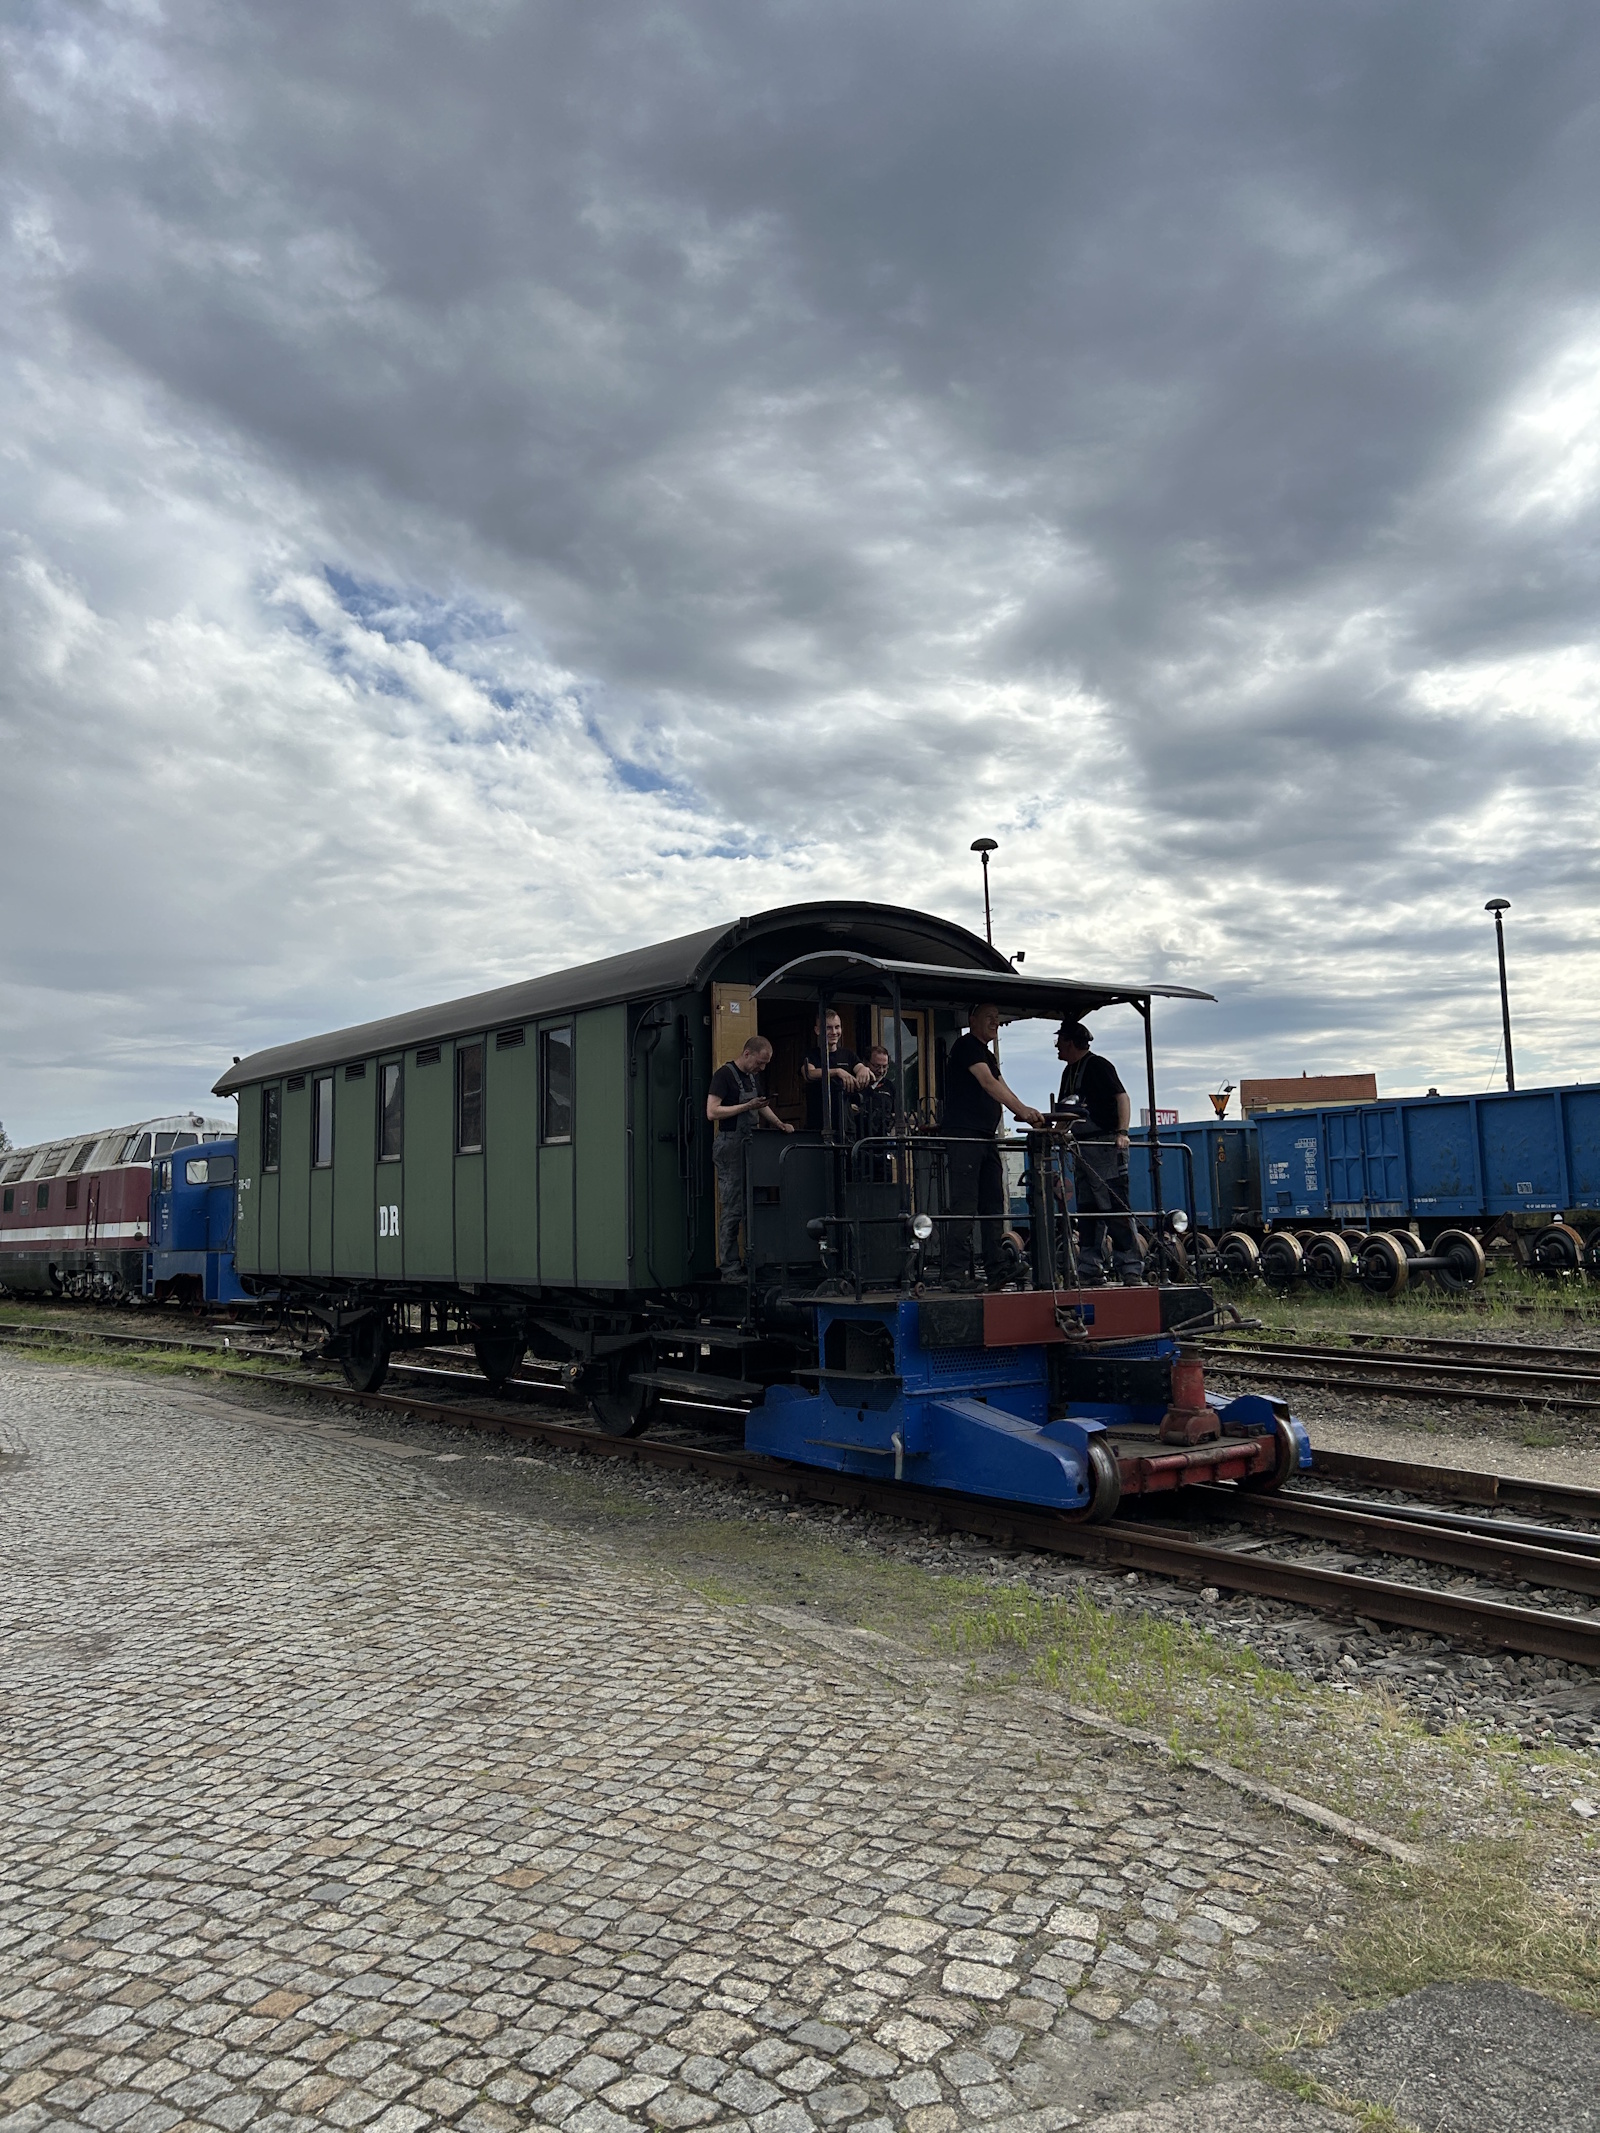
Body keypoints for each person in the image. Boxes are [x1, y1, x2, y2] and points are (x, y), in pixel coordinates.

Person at [941, 1004, 1048, 1286]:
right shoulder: (966, 1046)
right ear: (972, 1020)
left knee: (993, 1203)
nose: (995, 1023)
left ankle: (996, 1267)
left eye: (998, 1019)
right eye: (989, 1017)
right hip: (965, 1135)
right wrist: (1022, 1110)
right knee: (964, 1204)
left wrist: (1026, 1112)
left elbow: (1001, 1084)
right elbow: (988, 1083)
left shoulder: (987, 1054)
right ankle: (955, 1274)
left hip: (986, 1136)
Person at [1055, 1021, 1141, 1284]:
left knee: (1115, 1207)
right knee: (1088, 1209)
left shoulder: (1099, 1066)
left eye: (1060, 1041)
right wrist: (1056, 1134)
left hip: (1105, 1146)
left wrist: (1122, 1133)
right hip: (1082, 1148)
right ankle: (1090, 1266)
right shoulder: (1068, 1073)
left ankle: (1130, 1267)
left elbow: (1122, 1097)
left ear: (1071, 1042)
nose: (1056, 1046)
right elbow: (1066, 1112)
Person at [706, 1035, 793, 1278]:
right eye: (760, 1062)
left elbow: (761, 1105)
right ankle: (729, 1268)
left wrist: (779, 1123)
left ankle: (757, 1263)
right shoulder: (723, 1075)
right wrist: (746, 1107)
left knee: (756, 1203)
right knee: (733, 1206)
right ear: (747, 1054)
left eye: (765, 1064)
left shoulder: (753, 1077)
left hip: (753, 1144)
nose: (761, 1068)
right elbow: (712, 1111)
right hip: (730, 1146)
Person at [802, 1009, 872, 1135]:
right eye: (828, 1028)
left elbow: (861, 1068)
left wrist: (864, 1069)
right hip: (819, 1125)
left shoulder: (848, 1054)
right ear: (817, 1030)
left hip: (846, 1126)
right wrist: (837, 1071)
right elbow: (809, 1073)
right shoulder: (811, 1055)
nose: (834, 1032)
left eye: (837, 1027)